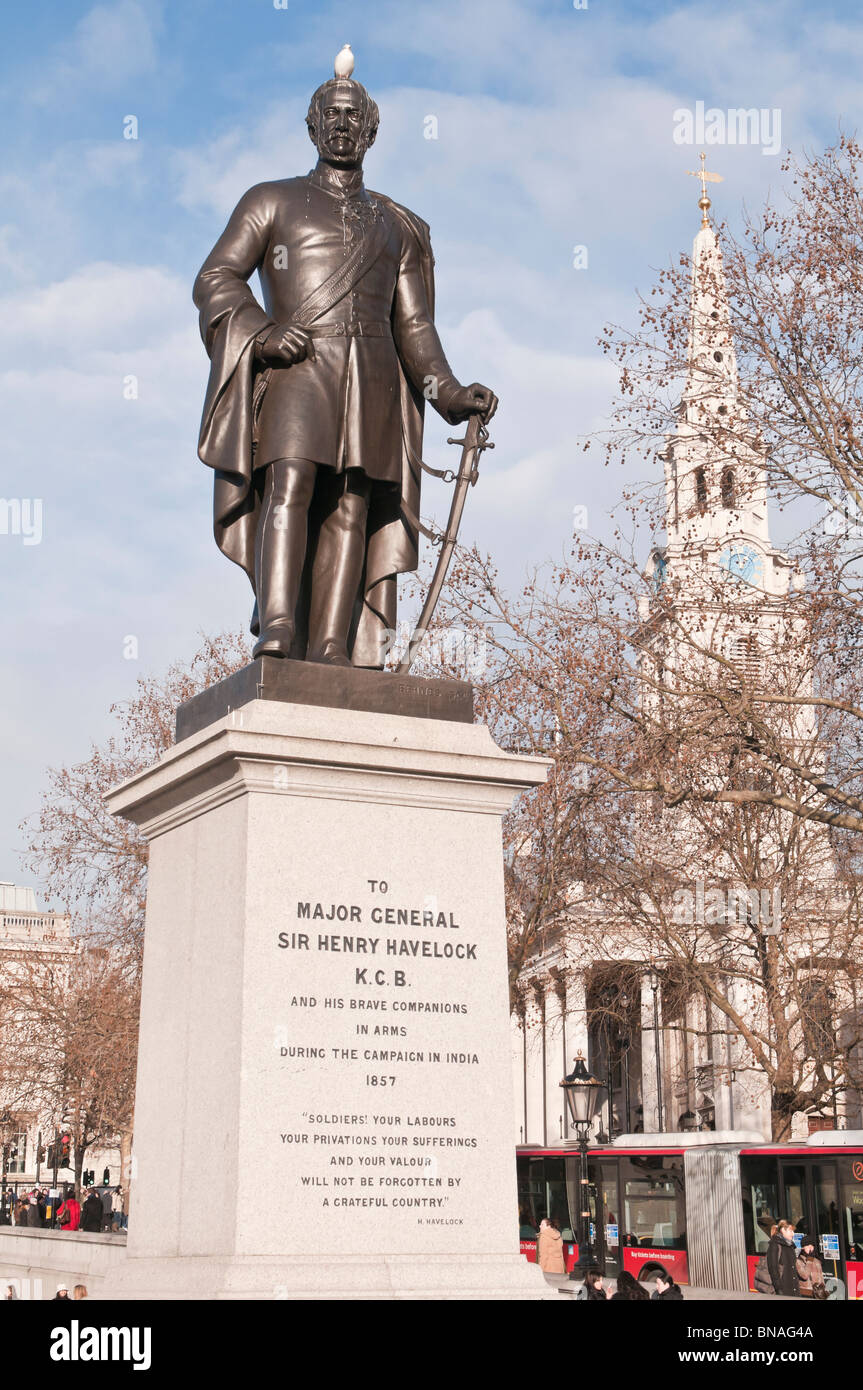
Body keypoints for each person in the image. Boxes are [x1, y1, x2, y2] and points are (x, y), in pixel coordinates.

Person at [193, 48, 497, 669]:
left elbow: (414, 325)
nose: (341, 126)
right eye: (330, 116)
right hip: (298, 372)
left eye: (353, 118)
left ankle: (332, 647)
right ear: (311, 126)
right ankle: (278, 626)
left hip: (376, 379)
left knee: (353, 501)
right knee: (291, 484)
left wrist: (449, 392)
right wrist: (260, 331)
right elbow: (217, 278)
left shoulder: (401, 226)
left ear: (372, 130)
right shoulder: (269, 200)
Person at [767, 1220, 799, 1297]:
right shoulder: (775, 1244)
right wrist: (779, 1289)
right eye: (790, 1231)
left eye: (793, 1231)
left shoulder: (791, 1245)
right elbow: (773, 1268)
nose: (793, 1234)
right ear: (783, 1230)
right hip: (784, 1290)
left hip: (794, 1288)